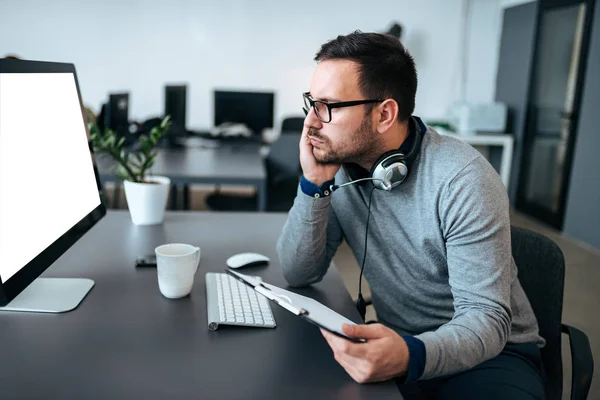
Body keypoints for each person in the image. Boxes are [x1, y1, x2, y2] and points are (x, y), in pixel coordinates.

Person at [276, 31, 545, 399]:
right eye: (311, 102)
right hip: (399, 344)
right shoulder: (338, 169)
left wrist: (410, 354)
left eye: (328, 106)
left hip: (491, 357)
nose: (311, 123)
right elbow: (298, 270)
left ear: (385, 114)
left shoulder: (462, 179)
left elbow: (487, 320)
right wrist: (313, 184)